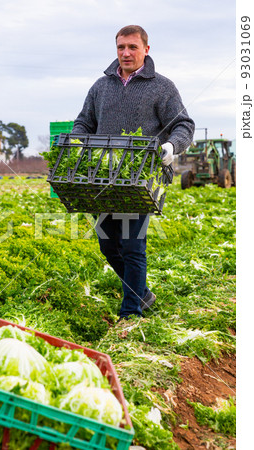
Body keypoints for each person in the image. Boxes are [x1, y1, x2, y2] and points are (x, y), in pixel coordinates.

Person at [72, 25, 195, 321]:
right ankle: (143, 294)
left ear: (146, 50)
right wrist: (77, 143)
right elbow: (83, 123)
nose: (126, 53)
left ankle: (131, 312)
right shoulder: (100, 88)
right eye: (120, 47)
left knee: (132, 244)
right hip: (103, 179)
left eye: (132, 47)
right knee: (107, 245)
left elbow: (184, 126)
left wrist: (170, 146)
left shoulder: (162, 87)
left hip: (141, 180)